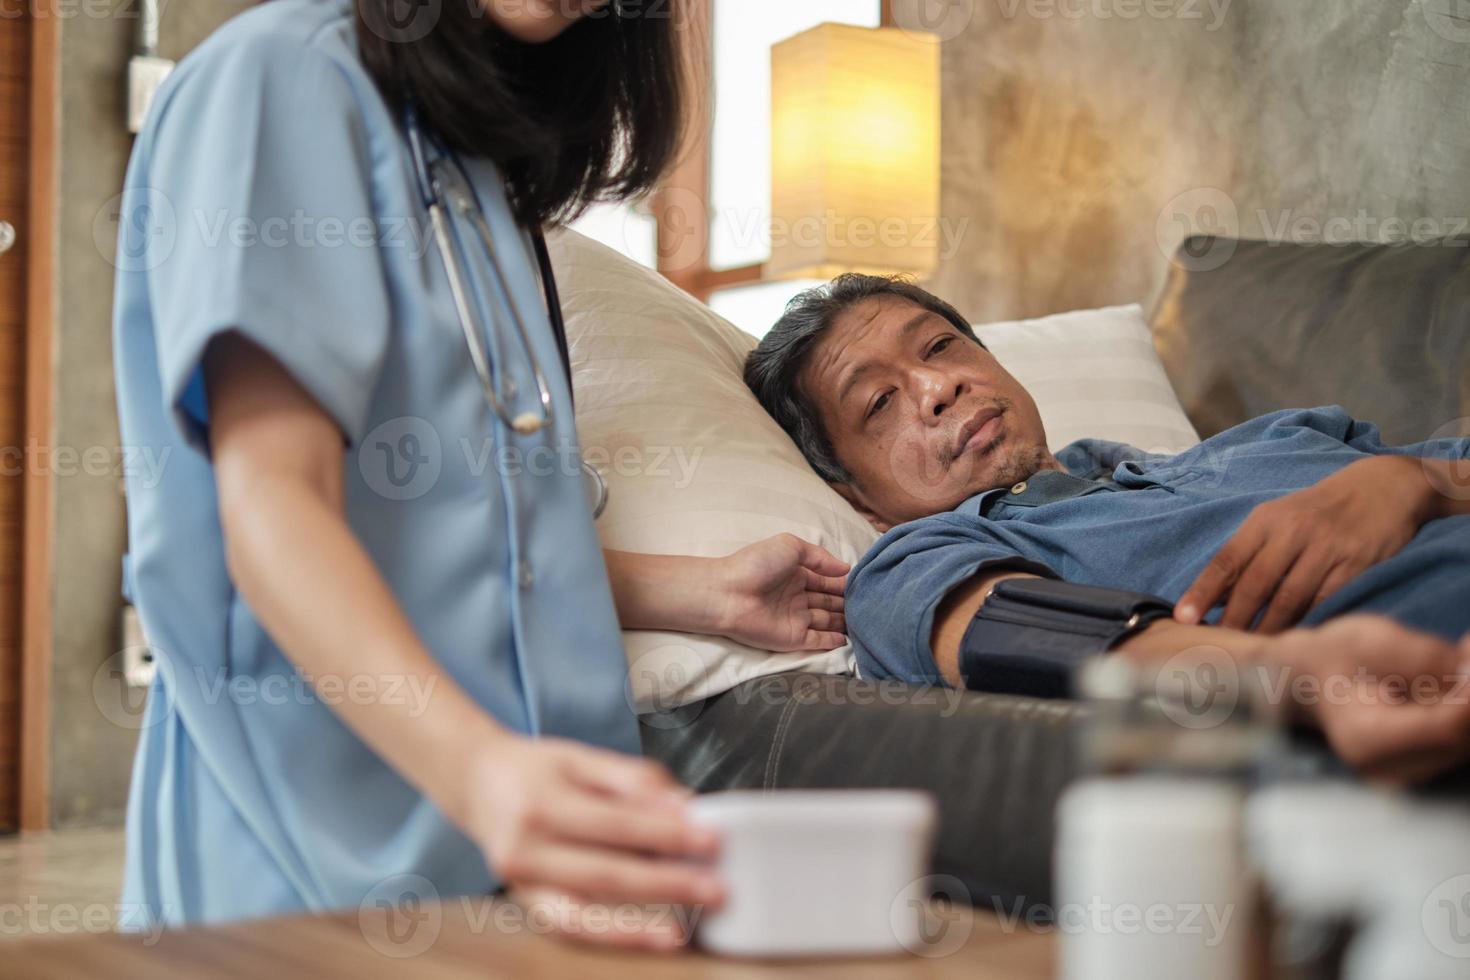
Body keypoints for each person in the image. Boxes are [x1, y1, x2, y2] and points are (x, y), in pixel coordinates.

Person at [112, 0, 847, 947]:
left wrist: (705, 594)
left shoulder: (479, 178)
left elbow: (473, 535)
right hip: (311, 850)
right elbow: (270, 502)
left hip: (529, 860)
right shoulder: (287, 78)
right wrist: (481, 775)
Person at [744, 274, 1470, 783]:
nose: (938, 388)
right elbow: (1017, 638)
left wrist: (1419, 481)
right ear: (854, 494)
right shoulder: (922, 558)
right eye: (878, 402)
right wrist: (1307, 677)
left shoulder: (1282, 435)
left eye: (939, 348)